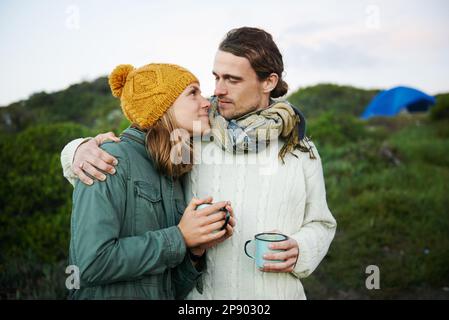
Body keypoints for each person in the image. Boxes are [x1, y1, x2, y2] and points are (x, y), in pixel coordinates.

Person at [61, 27, 337, 300]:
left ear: (268, 82)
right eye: (216, 77)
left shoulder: (300, 149)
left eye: (232, 79)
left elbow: (321, 223)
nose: (217, 91)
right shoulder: (194, 140)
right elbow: (143, 140)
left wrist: (301, 248)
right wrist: (76, 150)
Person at [67, 62, 235, 300]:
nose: (206, 102)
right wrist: (179, 237)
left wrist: (194, 251)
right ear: (162, 107)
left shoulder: (172, 171)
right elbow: (91, 264)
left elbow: (166, 289)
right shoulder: (109, 159)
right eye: (193, 93)